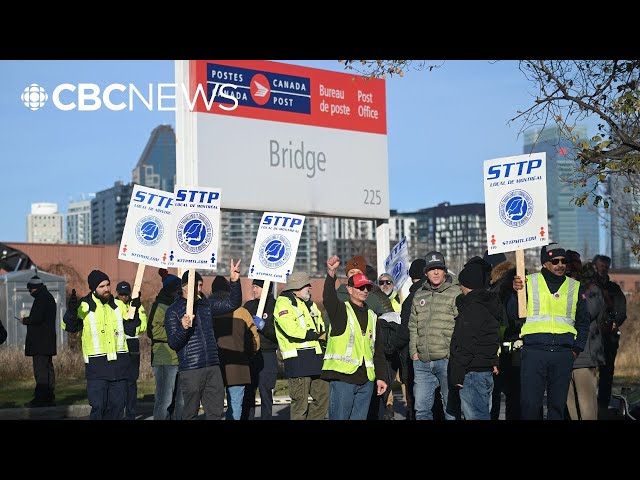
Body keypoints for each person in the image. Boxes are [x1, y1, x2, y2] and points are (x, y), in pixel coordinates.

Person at [510, 243, 590, 420]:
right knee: (530, 405)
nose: (560, 265)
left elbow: (584, 322)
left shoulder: (574, 287)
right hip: (534, 352)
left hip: (563, 353)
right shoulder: (528, 282)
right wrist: (516, 293)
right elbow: (511, 314)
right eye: (555, 261)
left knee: (557, 407)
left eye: (564, 261)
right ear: (545, 263)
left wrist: (576, 350)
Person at [165, 261, 242, 420]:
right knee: (190, 414)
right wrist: (183, 328)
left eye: (201, 285)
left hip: (213, 367)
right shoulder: (173, 311)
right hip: (191, 369)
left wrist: (234, 282)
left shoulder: (206, 305)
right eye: (196, 285)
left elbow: (232, 303)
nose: (200, 289)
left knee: (215, 412)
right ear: (185, 286)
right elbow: (173, 343)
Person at [62, 270, 142, 420]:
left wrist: (134, 311)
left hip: (120, 367)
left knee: (118, 409)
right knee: (99, 409)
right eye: (101, 286)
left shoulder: (119, 305)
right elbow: (69, 327)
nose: (106, 289)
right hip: (97, 369)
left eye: (108, 285)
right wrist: (72, 313)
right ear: (93, 288)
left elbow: (132, 329)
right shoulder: (84, 305)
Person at [322, 255, 388, 420]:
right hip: (343, 378)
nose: (364, 290)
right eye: (360, 287)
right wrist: (331, 273)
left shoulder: (372, 316)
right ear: (349, 289)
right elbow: (329, 299)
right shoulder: (341, 311)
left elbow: (378, 352)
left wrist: (381, 377)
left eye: (366, 287)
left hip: (366, 381)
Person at [409, 251, 460, 420]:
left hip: (446, 361)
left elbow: (461, 326)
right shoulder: (419, 294)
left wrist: (453, 354)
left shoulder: (455, 293)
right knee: (421, 410)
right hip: (422, 362)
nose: (436, 272)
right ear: (426, 273)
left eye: (439, 268)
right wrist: (414, 353)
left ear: (445, 271)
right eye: (432, 269)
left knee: (450, 410)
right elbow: (413, 326)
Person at [274, 270, 329, 420]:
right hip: (297, 361)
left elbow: (320, 326)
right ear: (297, 287)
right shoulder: (284, 302)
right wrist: (313, 334)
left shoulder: (310, 304)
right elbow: (290, 328)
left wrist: (321, 335)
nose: (310, 288)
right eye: (307, 286)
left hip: (316, 358)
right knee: (300, 405)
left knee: (324, 397)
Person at [449, 259, 501, 420]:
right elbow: (491, 337)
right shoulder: (489, 304)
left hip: (472, 371)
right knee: (483, 412)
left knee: (476, 415)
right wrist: (494, 360)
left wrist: (457, 372)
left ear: (465, 284)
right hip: (484, 368)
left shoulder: (473, 308)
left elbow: (465, 343)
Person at [210, 275, 260, 420]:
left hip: (214, 365)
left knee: (213, 406)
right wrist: (249, 356)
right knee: (235, 405)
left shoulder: (207, 310)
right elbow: (254, 339)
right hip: (238, 366)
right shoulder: (242, 312)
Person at [566, 261, 606, 420]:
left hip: (584, 357)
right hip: (565, 356)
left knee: (587, 408)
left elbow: (587, 313)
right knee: (571, 408)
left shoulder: (591, 291)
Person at [484, 251, 520, 421]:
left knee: (500, 396)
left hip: (505, 349)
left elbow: (505, 319)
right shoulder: (503, 284)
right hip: (512, 349)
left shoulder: (500, 288)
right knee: (514, 398)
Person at [592, 254, 627, 414]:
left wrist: (615, 323)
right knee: (589, 372)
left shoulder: (614, 288)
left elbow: (621, 310)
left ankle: (603, 407)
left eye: (606, 266)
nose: (603, 268)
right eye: (601, 265)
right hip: (591, 337)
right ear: (595, 266)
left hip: (609, 337)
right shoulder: (589, 286)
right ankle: (589, 406)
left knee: (607, 374)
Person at [148, 274, 184, 420]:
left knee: (180, 401)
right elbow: (152, 330)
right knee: (164, 401)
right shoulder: (160, 306)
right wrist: (175, 333)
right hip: (164, 358)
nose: (180, 292)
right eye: (178, 290)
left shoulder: (179, 305)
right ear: (171, 290)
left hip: (179, 358)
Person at [19, 274, 57, 408]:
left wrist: (25, 320)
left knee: (40, 371)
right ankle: (49, 397)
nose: (30, 292)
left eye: (30, 290)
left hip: (40, 343)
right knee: (48, 370)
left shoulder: (41, 298)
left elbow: (37, 318)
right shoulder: (48, 297)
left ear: (34, 288)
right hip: (47, 342)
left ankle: (41, 399)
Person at [243, 278, 279, 420]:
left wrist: (264, 327)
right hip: (251, 354)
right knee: (249, 392)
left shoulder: (275, 305)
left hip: (267, 354)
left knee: (265, 392)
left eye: (257, 287)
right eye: (253, 287)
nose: (254, 290)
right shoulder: (249, 306)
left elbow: (278, 334)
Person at [114, 280, 148, 420]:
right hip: (118, 345)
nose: (123, 297)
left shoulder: (137, 306)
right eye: (121, 294)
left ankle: (131, 414)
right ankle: (118, 412)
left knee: (131, 382)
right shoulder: (114, 305)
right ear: (117, 294)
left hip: (132, 344)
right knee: (118, 383)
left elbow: (143, 326)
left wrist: (135, 314)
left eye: (125, 294)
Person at [399, 258, 427, 420]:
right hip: (438, 355)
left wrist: (391, 345)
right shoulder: (435, 293)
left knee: (418, 403)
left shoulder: (411, 299)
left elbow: (405, 331)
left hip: (413, 355)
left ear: (411, 277)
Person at [376, 272, 406, 420]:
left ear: (393, 284)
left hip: (401, 345)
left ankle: (409, 406)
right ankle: (389, 407)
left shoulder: (400, 300)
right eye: (381, 282)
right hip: (384, 345)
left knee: (404, 378)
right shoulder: (375, 301)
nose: (385, 285)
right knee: (387, 376)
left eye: (388, 282)